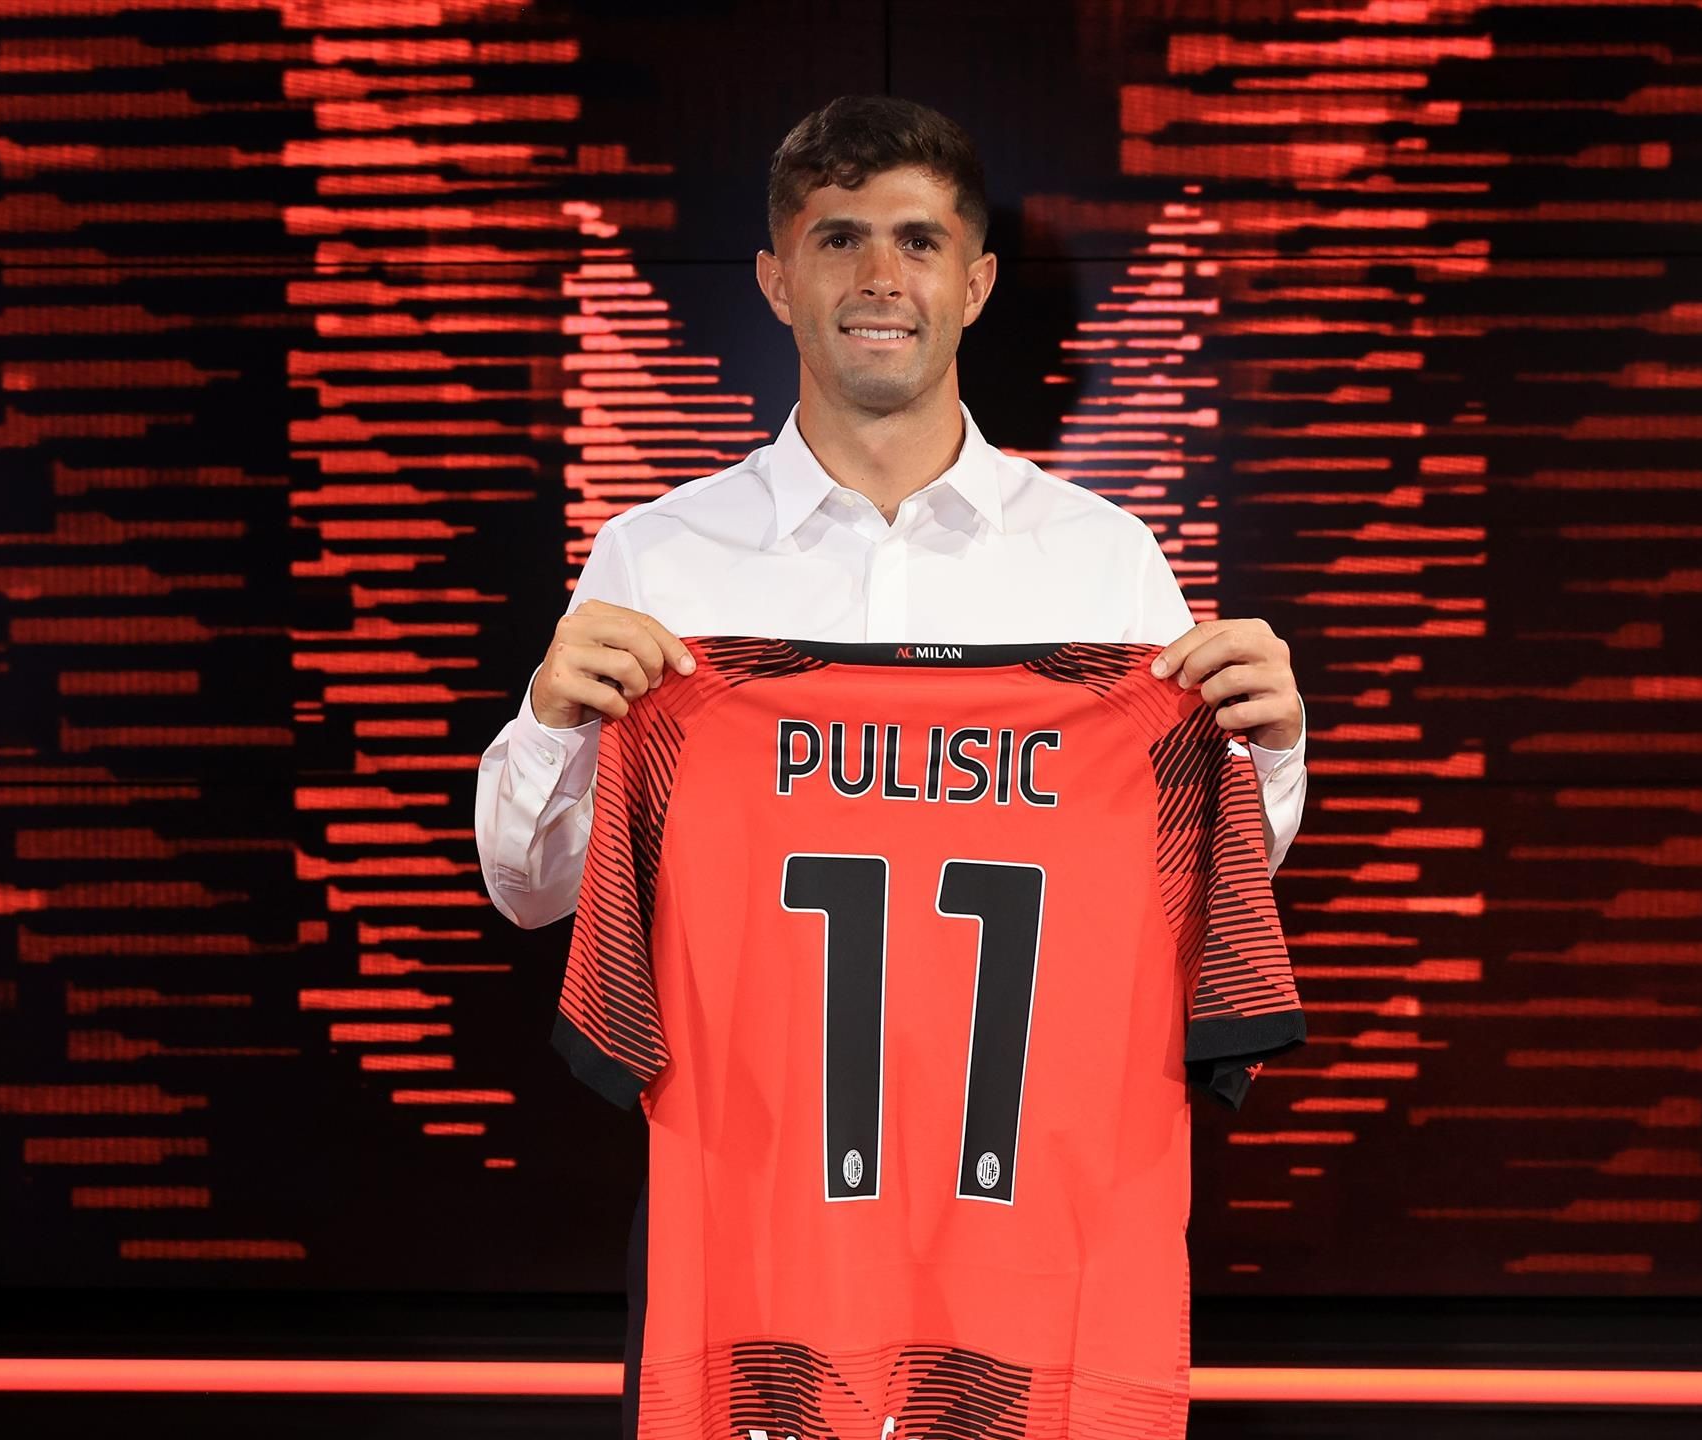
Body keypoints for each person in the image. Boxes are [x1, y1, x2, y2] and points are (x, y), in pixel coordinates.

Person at [469, 94, 1308, 1438]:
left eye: (919, 241)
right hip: (762, 1237)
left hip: (1031, 1238)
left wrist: (1266, 751)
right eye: (838, 237)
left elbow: (1188, 892)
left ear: (975, 284)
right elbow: (533, 895)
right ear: (774, 278)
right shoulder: (656, 557)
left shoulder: (1106, 560)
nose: (879, 277)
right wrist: (550, 724)